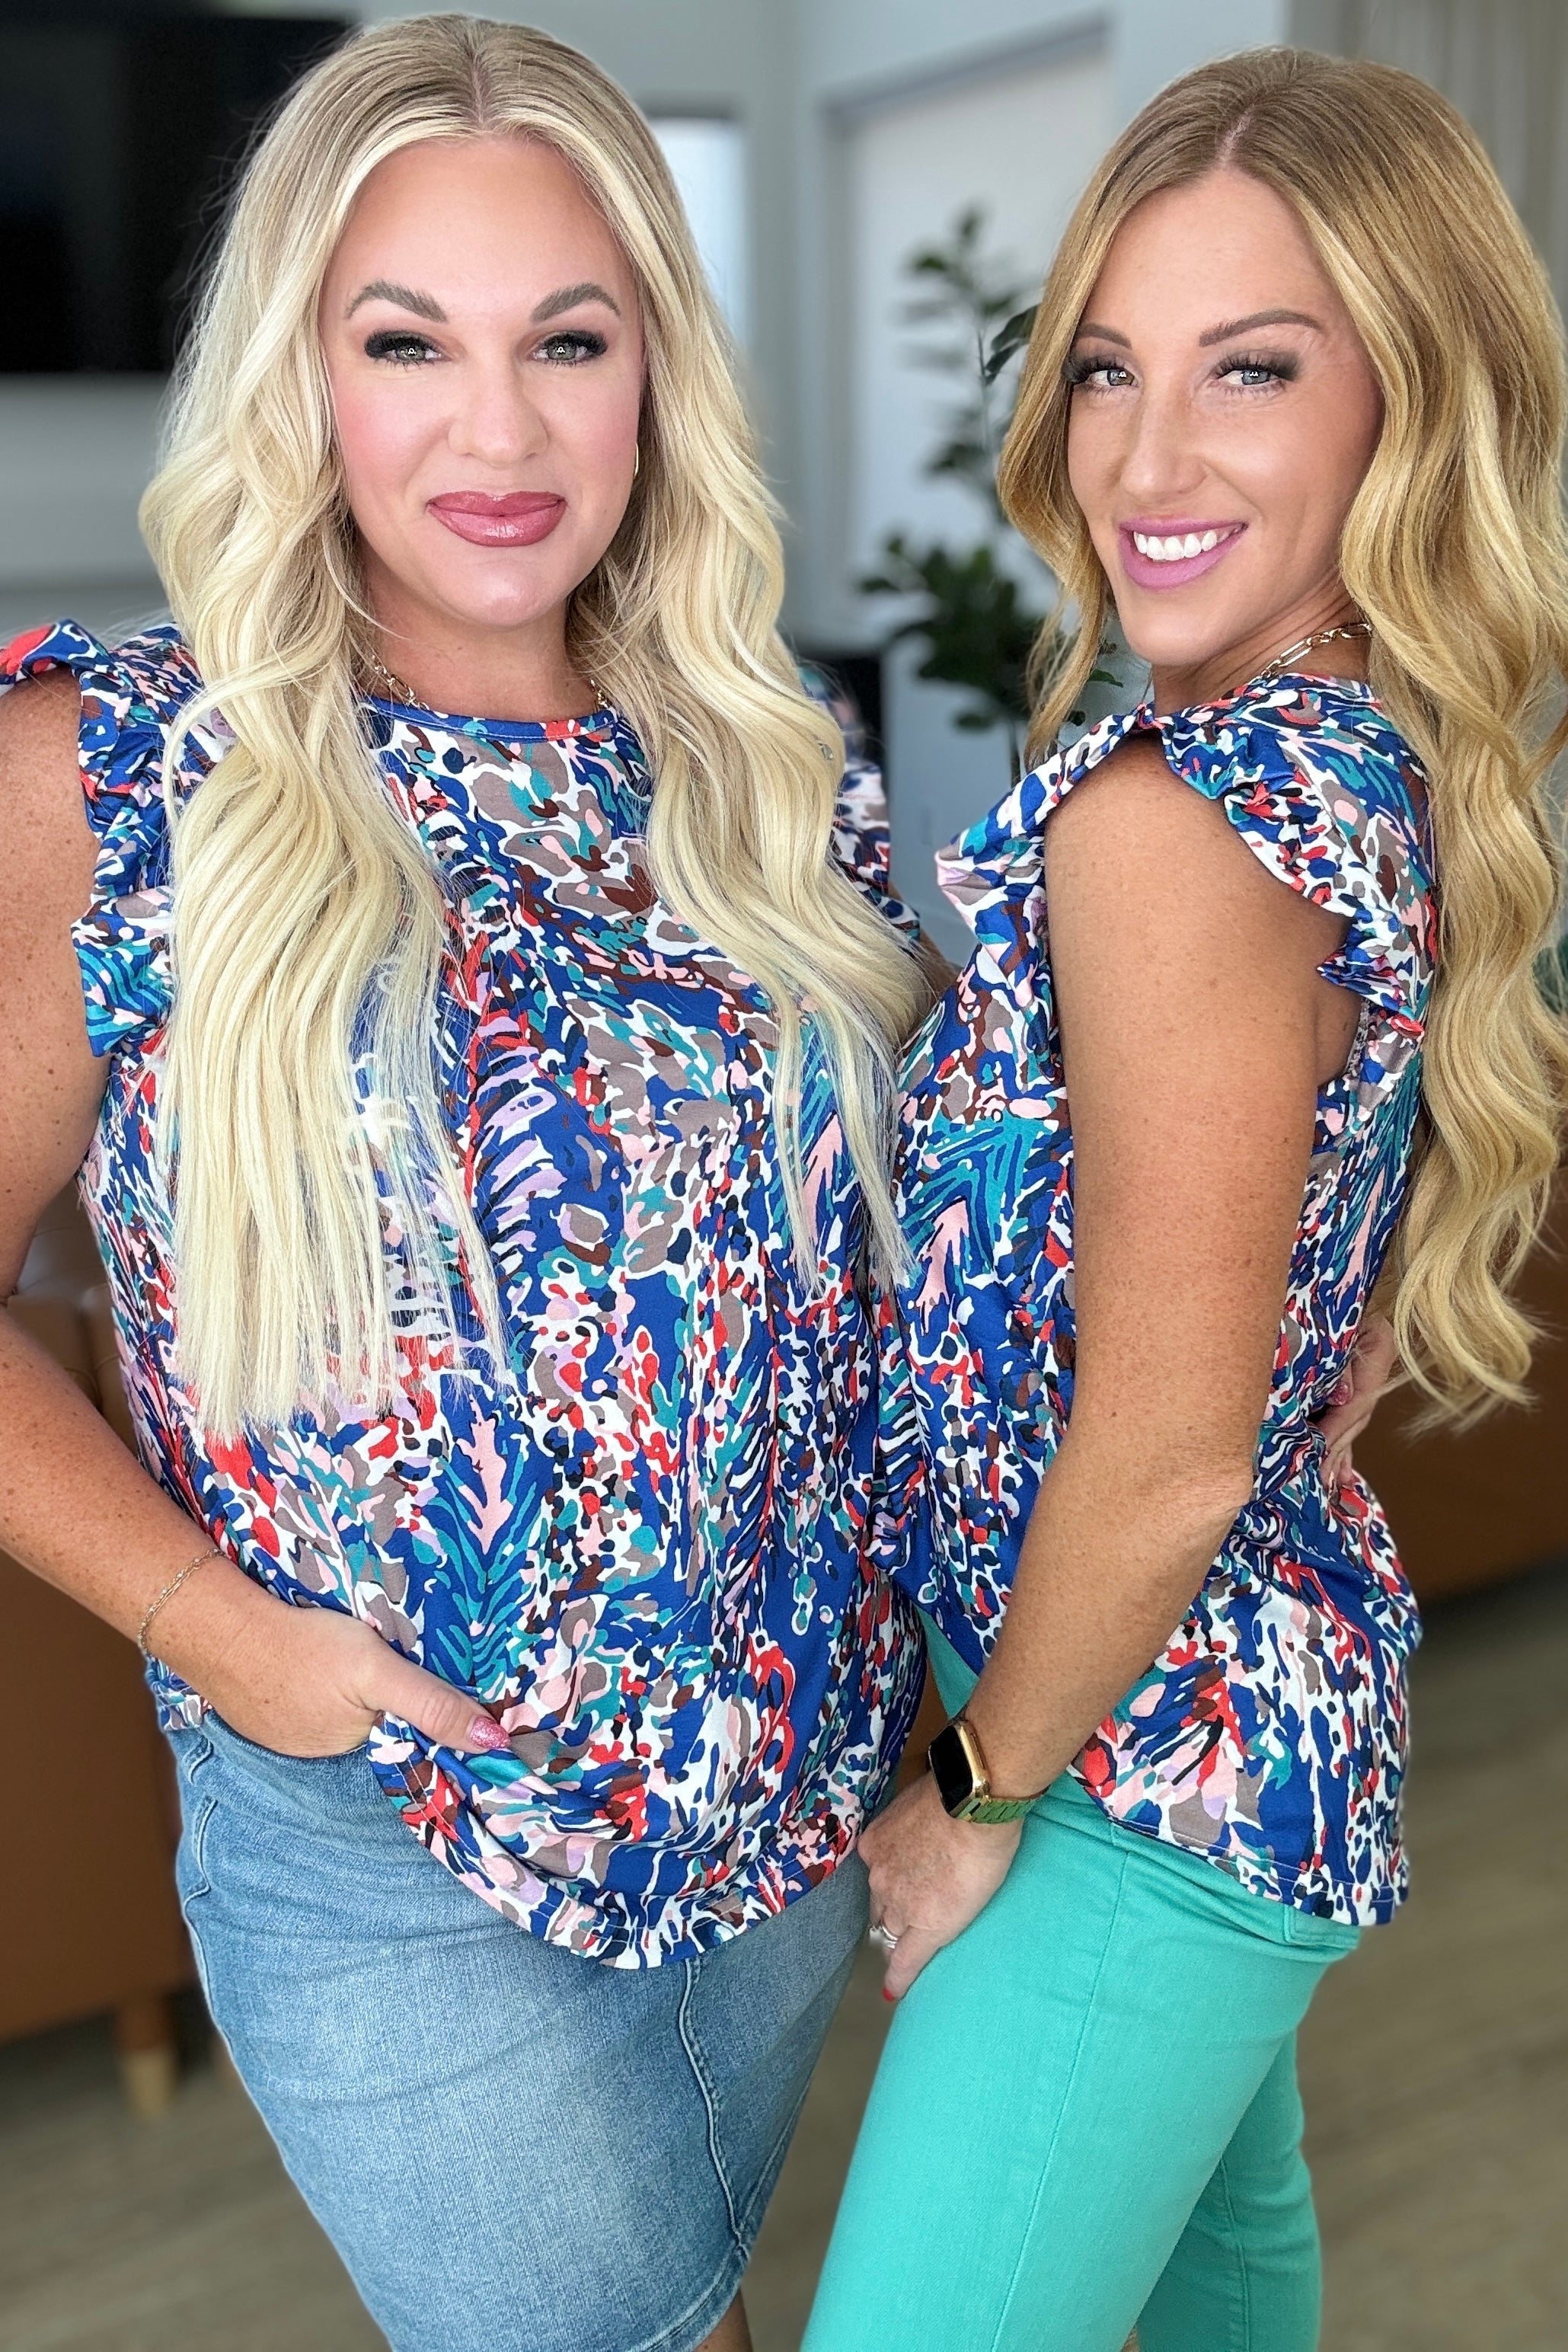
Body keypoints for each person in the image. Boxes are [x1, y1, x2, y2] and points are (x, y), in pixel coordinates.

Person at [0, 18, 940, 2352]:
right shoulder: (122, 769)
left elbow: (900, 1273)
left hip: (784, 1807)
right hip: (393, 1842)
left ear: (655, 377)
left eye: (568, 341)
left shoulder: (767, 776)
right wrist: (228, 1639)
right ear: (299, 375)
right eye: (407, 341)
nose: (498, 432)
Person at [807, 46, 1568, 2352]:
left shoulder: (1172, 822)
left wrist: (967, 1793)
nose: (1145, 462)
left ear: (1407, 401)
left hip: (1133, 1768)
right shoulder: (1356, 760)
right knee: (1226, 2296)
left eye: (1251, 369)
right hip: (1201, 1715)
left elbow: (1164, 1457)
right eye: (1107, 370)